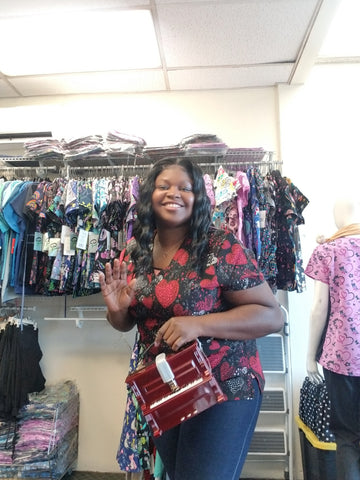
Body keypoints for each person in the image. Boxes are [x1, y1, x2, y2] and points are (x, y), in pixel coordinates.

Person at [99, 156, 284, 480]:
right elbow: (128, 323)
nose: (174, 193)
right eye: (164, 186)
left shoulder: (220, 245)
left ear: (198, 197)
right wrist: (117, 311)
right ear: (148, 196)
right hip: (165, 385)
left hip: (226, 382)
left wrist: (197, 324)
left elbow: (271, 316)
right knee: (179, 474)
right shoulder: (135, 252)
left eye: (185, 188)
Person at [305, 194, 360, 480]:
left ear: (338, 216)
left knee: (348, 437)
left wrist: (309, 356)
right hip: (343, 357)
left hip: (343, 356)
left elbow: (318, 308)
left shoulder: (328, 251)